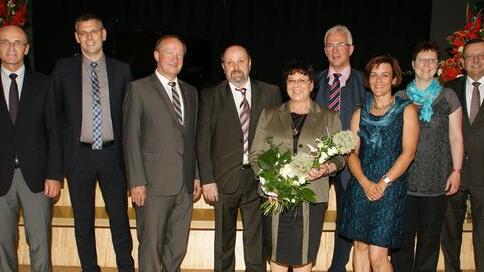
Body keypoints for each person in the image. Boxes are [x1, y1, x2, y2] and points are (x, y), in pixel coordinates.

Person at [50, 13, 134, 272]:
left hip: (112, 156)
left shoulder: (122, 70)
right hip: (79, 156)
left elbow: (129, 117)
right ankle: (90, 268)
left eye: (93, 31)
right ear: (76, 38)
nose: (89, 37)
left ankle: (126, 267)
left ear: (104, 34)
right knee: (83, 222)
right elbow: (53, 117)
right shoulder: (63, 69)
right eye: (83, 33)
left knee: (119, 219)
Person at [250, 61, 345, 272]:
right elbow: (256, 154)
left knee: (304, 258)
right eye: (291, 80)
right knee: (276, 256)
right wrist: (268, 183)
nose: (296, 85)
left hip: (311, 196)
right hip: (276, 196)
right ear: (285, 85)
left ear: (312, 85)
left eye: (302, 80)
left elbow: (340, 158)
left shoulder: (330, 116)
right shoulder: (269, 114)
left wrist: (326, 169)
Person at [197, 45, 281, 272]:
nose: (236, 67)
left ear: (250, 63)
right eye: (230, 62)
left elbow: (278, 138)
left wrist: (274, 178)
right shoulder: (209, 96)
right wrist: (207, 179)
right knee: (224, 243)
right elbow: (203, 141)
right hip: (223, 181)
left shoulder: (271, 93)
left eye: (241, 61)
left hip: (259, 180)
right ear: (223, 67)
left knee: (256, 243)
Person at [123, 34, 201, 271]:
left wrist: (196, 174)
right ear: (157, 55)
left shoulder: (190, 92)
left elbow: (191, 138)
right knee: (151, 247)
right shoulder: (138, 89)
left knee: (177, 248)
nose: (175, 58)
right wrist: (136, 181)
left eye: (179, 54)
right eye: (169, 52)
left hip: (184, 186)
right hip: (152, 185)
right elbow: (130, 138)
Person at [338, 55, 419, 272]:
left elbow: (408, 153)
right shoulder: (359, 113)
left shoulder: (406, 110)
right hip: (361, 187)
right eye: (374, 75)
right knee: (360, 247)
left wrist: (382, 184)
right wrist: (365, 183)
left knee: (378, 255)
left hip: (389, 190)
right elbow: (351, 154)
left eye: (385, 75)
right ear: (368, 79)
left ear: (394, 79)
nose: (379, 80)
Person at [390, 41, 463, 272]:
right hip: (404, 180)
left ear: (438, 66)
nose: (427, 64)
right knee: (401, 241)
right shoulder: (400, 97)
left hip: (436, 181)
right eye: (422, 59)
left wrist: (457, 171)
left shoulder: (448, 96)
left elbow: (456, 137)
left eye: (432, 60)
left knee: (429, 242)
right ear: (413, 64)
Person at [0, 25, 62, 272]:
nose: (11, 47)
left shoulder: (45, 84)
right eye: (5, 41)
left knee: (40, 245)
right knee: (2, 246)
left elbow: (54, 132)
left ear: (26, 48)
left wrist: (55, 174)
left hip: (37, 178)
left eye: (17, 42)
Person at [314, 25, 368, 272]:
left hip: (352, 162)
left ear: (351, 49)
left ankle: (337, 267)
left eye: (340, 45)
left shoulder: (366, 83)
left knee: (347, 217)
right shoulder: (311, 82)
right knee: (313, 215)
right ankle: (306, 262)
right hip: (316, 162)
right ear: (325, 51)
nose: (335, 50)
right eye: (330, 45)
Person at [442, 38, 484, 272]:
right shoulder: (449, 90)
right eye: (470, 56)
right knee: (449, 234)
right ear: (462, 61)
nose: (476, 60)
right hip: (453, 172)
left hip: (483, 173)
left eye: (481, 55)